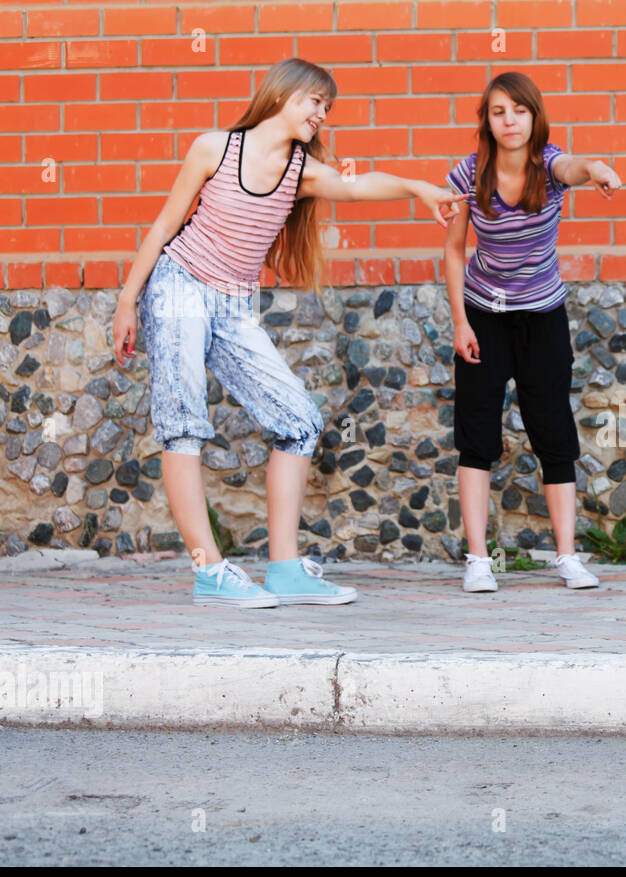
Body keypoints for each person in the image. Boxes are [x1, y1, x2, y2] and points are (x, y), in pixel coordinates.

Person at [111, 58, 465, 608]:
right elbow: (164, 224)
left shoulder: (302, 173)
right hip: (178, 286)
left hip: (232, 304)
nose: (322, 113)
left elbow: (359, 184)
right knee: (182, 422)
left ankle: (284, 569)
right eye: (314, 101)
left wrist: (420, 188)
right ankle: (210, 572)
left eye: (328, 106)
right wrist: (127, 301)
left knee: (299, 421)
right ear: (281, 95)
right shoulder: (214, 149)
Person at [443, 71, 622, 593]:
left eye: (519, 111)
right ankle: (478, 560)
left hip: (542, 316)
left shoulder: (551, 165)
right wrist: (459, 321)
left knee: (553, 432)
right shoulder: (468, 174)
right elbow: (454, 250)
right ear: (488, 120)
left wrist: (598, 168)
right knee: (476, 437)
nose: (510, 120)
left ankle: (566, 557)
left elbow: (577, 165)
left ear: (533, 117)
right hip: (483, 314)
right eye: (499, 112)